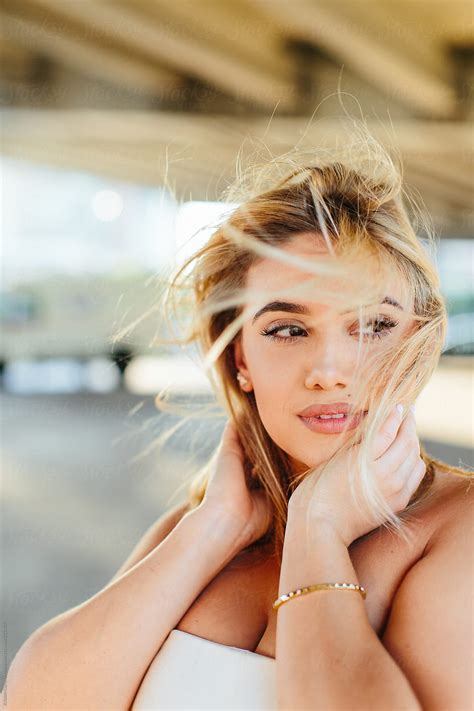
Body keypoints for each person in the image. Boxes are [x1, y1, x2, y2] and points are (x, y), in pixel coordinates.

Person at [3, 131, 472, 710]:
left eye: (373, 326)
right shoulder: (205, 526)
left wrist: (317, 529)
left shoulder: (458, 526)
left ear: (417, 344)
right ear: (240, 358)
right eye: (289, 330)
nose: (329, 371)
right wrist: (214, 527)